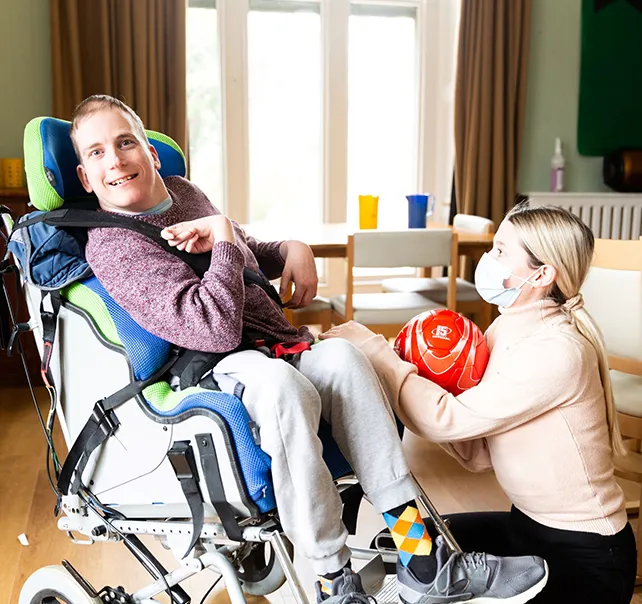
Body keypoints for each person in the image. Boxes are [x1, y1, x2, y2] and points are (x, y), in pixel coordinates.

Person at [71, 94, 548, 604]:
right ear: (84, 178)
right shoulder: (114, 245)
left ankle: (423, 558)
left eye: (125, 142)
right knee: (283, 388)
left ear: (153, 153)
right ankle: (331, 580)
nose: (115, 160)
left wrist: (288, 249)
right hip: (214, 365)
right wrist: (225, 237)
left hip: (274, 344)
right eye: (96, 152)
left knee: (345, 358)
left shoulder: (185, 192)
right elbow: (210, 327)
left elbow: (247, 253)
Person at [322, 202, 637, 603]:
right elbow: (476, 454)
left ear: (542, 274)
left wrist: (380, 354)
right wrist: (408, 370)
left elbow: (445, 420)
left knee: (426, 570)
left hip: (586, 558)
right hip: (527, 528)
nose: (488, 259)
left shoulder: (558, 351)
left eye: (502, 251)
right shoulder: (507, 327)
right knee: (400, 545)